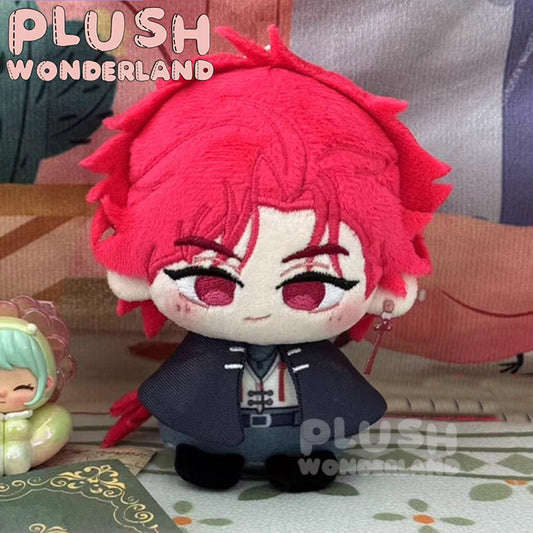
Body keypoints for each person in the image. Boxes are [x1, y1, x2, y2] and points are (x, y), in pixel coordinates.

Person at [84, 26, 450, 491]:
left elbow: (339, 401)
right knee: (203, 450)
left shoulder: (320, 353)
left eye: (309, 289)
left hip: (300, 440)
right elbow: (179, 394)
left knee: (306, 452)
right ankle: (209, 452)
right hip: (209, 440)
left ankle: (299, 456)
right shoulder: (200, 356)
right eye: (210, 283)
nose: (256, 311)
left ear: (376, 284)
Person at [0, 315, 72, 476]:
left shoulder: (52, 416)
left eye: (22, 387)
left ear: (47, 384)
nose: (2, 392)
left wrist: (26, 451)